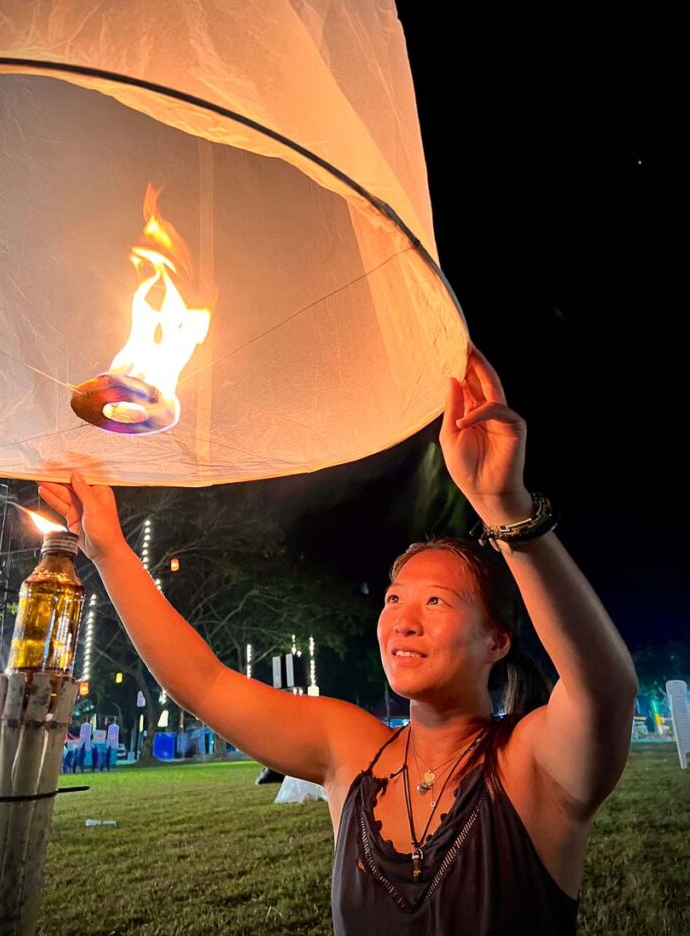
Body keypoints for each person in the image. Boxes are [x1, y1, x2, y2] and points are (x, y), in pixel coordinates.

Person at [39, 346, 638, 935]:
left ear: (497, 642)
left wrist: (502, 505)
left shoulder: (534, 763)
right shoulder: (351, 749)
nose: (403, 620)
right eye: (394, 599)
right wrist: (109, 549)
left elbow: (603, 687)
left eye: (436, 601)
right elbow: (204, 682)